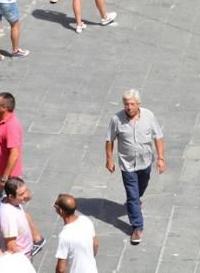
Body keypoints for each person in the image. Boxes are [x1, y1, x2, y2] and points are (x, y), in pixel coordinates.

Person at [105, 89, 164, 245]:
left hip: (145, 161)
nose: (129, 107)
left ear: (138, 104)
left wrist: (161, 158)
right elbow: (109, 140)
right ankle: (137, 227)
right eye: (126, 104)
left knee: (141, 187)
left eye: (132, 104)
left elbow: (158, 136)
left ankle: (137, 201)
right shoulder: (116, 119)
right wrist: (109, 159)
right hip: (127, 164)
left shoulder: (149, 116)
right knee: (132, 195)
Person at [0, 92, 24, 201]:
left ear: (4, 107)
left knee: (12, 203)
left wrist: (5, 178)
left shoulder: (11, 127)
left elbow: (14, 154)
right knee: (1, 201)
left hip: (9, 176)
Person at [0, 178, 44, 259]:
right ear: (11, 196)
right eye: (21, 194)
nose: (26, 195)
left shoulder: (11, 200)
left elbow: (27, 196)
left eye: (25, 191)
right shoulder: (8, 216)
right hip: (22, 258)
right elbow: (11, 247)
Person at [53, 194, 98, 273]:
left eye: (55, 206)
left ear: (60, 210)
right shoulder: (86, 220)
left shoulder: (64, 236)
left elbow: (61, 269)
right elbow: (96, 244)